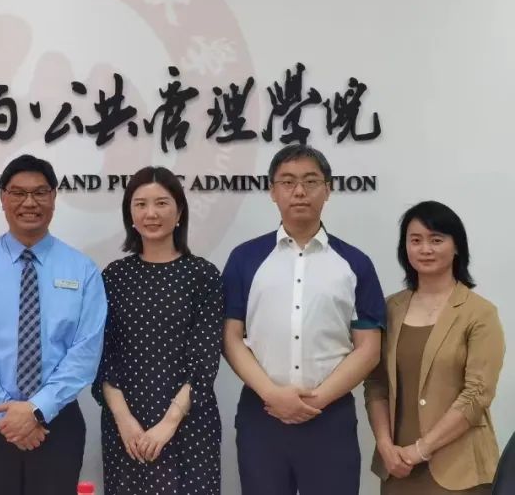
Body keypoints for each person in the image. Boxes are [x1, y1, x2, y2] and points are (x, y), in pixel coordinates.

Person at [222, 144, 385, 495]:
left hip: (330, 417)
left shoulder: (355, 263)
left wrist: (317, 399)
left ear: (328, 189)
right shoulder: (245, 259)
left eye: (311, 181)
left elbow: (368, 348)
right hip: (262, 414)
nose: (299, 191)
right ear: (272, 191)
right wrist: (272, 394)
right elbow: (231, 337)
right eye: (288, 182)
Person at [0, 154, 107, 495]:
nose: (29, 202)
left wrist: (37, 409)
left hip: (57, 421)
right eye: (18, 193)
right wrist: (10, 417)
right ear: (3, 198)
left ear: (54, 197)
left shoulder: (82, 270)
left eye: (39, 193)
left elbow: (86, 350)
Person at [94, 166, 223, 494]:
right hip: (127, 427)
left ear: (179, 213)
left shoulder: (203, 276)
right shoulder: (114, 277)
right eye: (140, 204)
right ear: (130, 215)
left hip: (189, 424)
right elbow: (103, 357)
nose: (151, 213)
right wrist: (125, 420)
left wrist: (168, 424)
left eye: (162, 203)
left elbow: (205, 360)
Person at [365, 201, 505, 494]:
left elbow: (477, 394)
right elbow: (376, 384)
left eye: (436, 240)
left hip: (459, 470)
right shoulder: (389, 309)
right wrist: (385, 445)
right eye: (415, 240)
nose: (425, 249)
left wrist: (421, 450)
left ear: (457, 247)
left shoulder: (480, 313)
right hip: (397, 467)